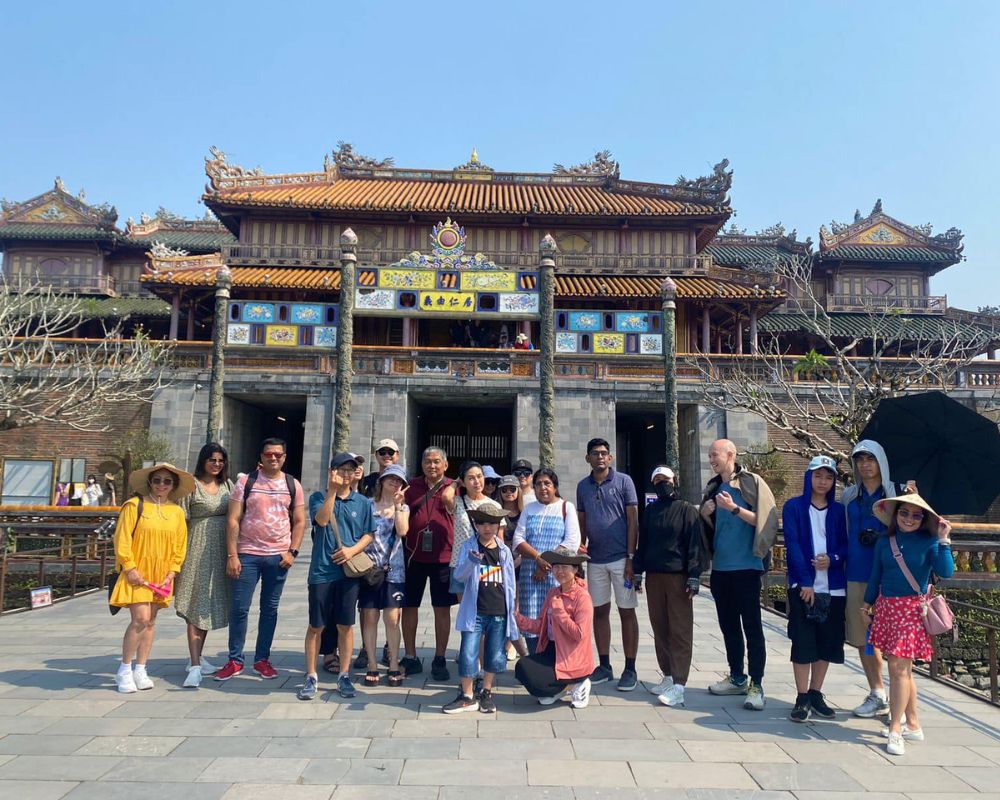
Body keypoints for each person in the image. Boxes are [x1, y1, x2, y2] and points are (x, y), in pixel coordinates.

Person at [862, 493, 954, 756]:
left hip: (912, 611)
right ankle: (913, 724)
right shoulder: (884, 541)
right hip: (887, 608)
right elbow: (875, 576)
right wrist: (866, 605)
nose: (909, 519)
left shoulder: (930, 543)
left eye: (916, 515)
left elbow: (946, 571)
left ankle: (896, 729)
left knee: (898, 670)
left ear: (924, 519)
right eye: (904, 513)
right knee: (904, 670)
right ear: (895, 514)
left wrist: (944, 540)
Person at [217, 437, 306, 681]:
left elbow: (300, 521)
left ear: (285, 457)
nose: (273, 458)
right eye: (269, 454)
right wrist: (232, 554)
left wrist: (293, 551)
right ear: (261, 456)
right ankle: (235, 660)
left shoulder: (292, 484)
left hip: (277, 556)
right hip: (247, 554)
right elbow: (233, 519)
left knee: (270, 609)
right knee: (239, 609)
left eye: (278, 454)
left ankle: (262, 659)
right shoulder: (246, 481)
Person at [700, 438, 778, 711]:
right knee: (729, 626)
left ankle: (756, 684)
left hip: (747, 567)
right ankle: (737, 677)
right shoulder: (713, 488)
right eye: (709, 455)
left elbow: (766, 520)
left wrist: (733, 508)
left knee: (753, 628)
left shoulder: (751, 482)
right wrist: (706, 513)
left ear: (730, 454)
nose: (711, 459)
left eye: (715, 454)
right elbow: (711, 529)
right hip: (721, 568)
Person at [109, 462, 194, 693]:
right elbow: (122, 538)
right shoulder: (134, 505)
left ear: (173, 485)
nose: (161, 485)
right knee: (140, 618)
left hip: (162, 572)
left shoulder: (176, 511)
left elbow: (180, 544)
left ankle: (141, 668)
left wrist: (172, 571)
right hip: (137, 569)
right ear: (149, 482)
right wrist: (129, 567)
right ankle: (124, 669)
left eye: (167, 481)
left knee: (151, 621)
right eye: (157, 480)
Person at [298, 453, 375, 700]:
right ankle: (311, 676)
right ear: (332, 471)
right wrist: (332, 490)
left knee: (345, 624)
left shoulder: (362, 502)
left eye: (351, 470)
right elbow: (321, 520)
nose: (346, 474)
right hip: (322, 571)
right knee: (316, 625)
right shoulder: (318, 497)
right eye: (342, 469)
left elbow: (369, 534)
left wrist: (351, 550)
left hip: (348, 573)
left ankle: (344, 674)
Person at [841, 440, 908, 718]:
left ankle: (899, 700)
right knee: (861, 636)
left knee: (893, 641)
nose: (865, 464)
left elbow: (910, 529)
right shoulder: (848, 496)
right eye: (860, 459)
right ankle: (877, 691)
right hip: (856, 571)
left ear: (881, 461)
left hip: (889, 575)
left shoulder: (898, 494)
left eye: (870, 458)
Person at [782, 455, 848, 723]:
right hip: (804, 586)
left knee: (827, 643)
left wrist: (832, 558)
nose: (823, 481)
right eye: (818, 476)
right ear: (809, 477)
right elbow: (793, 544)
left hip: (833, 588)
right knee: (803, 642)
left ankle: (816, 692)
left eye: (828, 477)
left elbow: (845, 546)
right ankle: (801, 696)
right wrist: (806, 580)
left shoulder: (839, 511)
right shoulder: (794, 507)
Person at [633, 466, 704, 708]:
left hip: (678, 577)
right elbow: (643, 544)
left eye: (666, 480)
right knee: (660, 627)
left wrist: (695, 575)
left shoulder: (686, 510)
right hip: (655, 576)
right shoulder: (650, 511)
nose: (662, 484)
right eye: (657, 481)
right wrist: (637, 571)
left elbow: (695, 545)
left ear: (675, 481)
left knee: (680, 630)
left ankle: (680, 685)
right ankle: (668, 675)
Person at [576, 437, 640, 691]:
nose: (600, 457)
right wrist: (579, 557)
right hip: (595, 560)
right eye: (595, 453)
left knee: (627, 611)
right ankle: (604, 665)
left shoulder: (624, 482)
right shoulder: (583, 487)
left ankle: (630, 668)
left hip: (621, 559)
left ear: (610, 457)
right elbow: (581, 523)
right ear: (587, 458)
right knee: (599, 611)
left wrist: (631, 558)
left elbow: (633, 521)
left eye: (604, 453)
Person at [443, 501, 518, 714]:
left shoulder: (504, 550)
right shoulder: (469, 546)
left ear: (498, 525)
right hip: (474, 611)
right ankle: (467, 695)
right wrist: (470, 562)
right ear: (475, 524)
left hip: (498, 611)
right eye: (482, 523)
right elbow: (459, 576)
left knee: (494, 655)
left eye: (492, 523)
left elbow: (510, 583)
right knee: (468, 652)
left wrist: (512, 609)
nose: (487, 527)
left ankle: (486, 691)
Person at [175, 443, 233, 688]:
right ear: (203, 461)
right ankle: (195, 664)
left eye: (220, 460)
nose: (216, 464)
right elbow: (181, 522)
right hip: (196, 547)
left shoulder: (227, 486)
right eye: (212, 460)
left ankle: (197, 656)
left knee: (208, 604)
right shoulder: (191, 486)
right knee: (195, 603)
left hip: (221, 549)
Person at [401, 447, 458, 681]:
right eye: (427, 461)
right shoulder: (410, 487)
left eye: (437, 462)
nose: (432, 466)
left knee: (441, 609)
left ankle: (440, 657)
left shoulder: (455, 487)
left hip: (443, 558)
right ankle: (411, 656)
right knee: (409, 606)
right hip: (413, 557)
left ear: (445, 465)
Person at [514, 547, 594, 708]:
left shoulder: (582, 597)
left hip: (572, 656)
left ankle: (578, 683)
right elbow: (540, 625)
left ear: (575, 569)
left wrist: (559, 611)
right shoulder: (553, 593)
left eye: (565, 567)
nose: (560, 571)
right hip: (552, 650)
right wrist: (517, 619)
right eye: (557, 567)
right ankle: (560, 689)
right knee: (523, 668)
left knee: (538, 681)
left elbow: (579, 634)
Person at [513, 468, 581, 654]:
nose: (542, 487)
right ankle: (537, 660)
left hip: (557, 576)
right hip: (530, 575)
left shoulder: (566, 508)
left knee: (557, 617)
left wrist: (545, 565)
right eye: (538, 484)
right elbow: (518, 539)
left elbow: (571, 542)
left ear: (555, 486)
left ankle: (557, 663)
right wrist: (537, 558)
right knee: (532, 619)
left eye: (547, 483)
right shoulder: (529, 509)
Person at [359, 464, 409, 687]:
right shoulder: (367, 505)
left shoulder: (403, 508)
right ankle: (371, 663)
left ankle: (393, 664)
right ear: (381, 481)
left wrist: (398, 506)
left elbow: (403, 531)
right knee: (370, 616)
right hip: (370, 570)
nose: (395, 483)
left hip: (394, 570)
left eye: (399, 480)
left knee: (392, 618)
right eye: (391, 478)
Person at [450, 461, 500, 599]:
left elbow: (499, 539)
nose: (477, 481)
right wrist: (455, 483)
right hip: (461, 561)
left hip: (487, 562)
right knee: (465, 607)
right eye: (471, 478)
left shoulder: (494, 505)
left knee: (485, 606)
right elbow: (445, 497)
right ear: (463, 482)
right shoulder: (457, 502)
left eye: (479, 476)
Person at [498, 474, 529, 659]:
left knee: (515, 608)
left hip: (522, 564)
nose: (509, 493)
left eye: (512, 489)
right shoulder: (497, 512)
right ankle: (507, 644)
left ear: (519, 491)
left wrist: (519, 560)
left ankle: (510, 645)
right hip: (502, 565)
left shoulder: (525, 513)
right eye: (505, 489)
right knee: (504, 606)